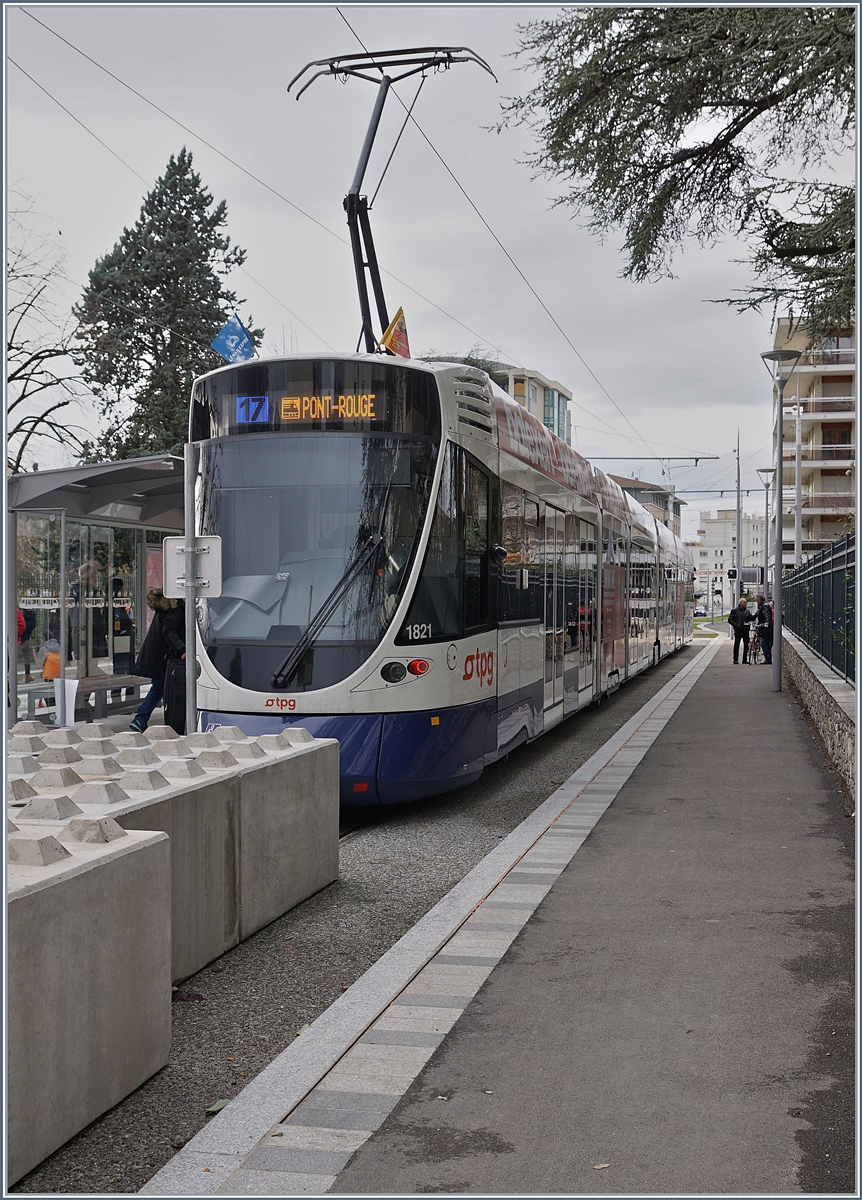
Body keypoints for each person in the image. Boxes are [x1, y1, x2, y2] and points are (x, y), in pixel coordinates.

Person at [130, 589, 185, 732]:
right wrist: (182, 650)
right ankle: (140, 718)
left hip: (158, 656)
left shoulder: (167, 606)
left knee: (158, 688)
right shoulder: (176, 607)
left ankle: (141, 719)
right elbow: (169, 632)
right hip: (163, 657)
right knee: (159, 688)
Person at [728, 596, 754, 664]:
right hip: (738, 630)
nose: (746, 603)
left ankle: (744, 659)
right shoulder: (734, 610)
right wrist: (736, 625)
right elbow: (730, 619)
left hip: (746, 630)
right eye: (744, 602)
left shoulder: (747, 611)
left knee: (746, 645)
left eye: (746, 602)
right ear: (740, 603)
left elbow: (751, 618)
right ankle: (735, 659)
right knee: (737, 644)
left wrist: (756, 615)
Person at [754, 594, 774, 665]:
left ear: (759, 600)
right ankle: (768, 659)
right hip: (768, 628)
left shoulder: (764, 606)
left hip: (765, 629)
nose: (756, 601)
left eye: (757, 600)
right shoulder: (765, 605)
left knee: (763, 643)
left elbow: (766, 616)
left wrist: (765, 624)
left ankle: (768, 659)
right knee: (767, 644)